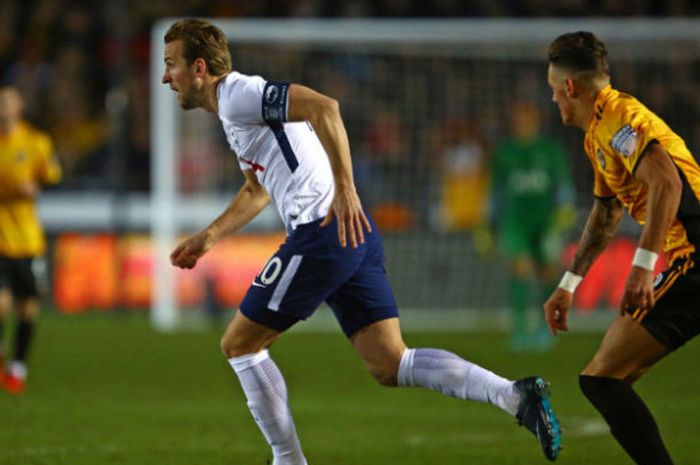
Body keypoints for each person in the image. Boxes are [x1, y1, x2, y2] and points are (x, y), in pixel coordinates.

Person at [162, 19, 561, 464]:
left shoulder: (239, 95)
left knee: (239, 344)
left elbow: (326, 108)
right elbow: (258, 189)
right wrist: (210, 236)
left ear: (199, 68)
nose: (165, 77)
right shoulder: (233, 113)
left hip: (322, 232)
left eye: (170, 65)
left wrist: (346, 188)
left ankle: (288, 461)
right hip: (352, 233)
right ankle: (514, 396)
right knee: (390, 363)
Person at [544, 31, 700, 465]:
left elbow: (665, 180)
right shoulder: (599, 132)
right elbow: (607, 213)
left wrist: (642, 266)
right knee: (611, 377)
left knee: (603, 379)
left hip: (696, 256)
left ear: (570, 86)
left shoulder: (618, 118)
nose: (554, 98)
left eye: (553, 89)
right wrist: (569, 283)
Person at [490, 100, 575, 351]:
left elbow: (563, 185)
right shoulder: (504, 153)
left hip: (545, 222)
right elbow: (496, 191)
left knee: (546, 271)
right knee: (519, 268)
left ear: (535, 121)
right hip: (515, 221)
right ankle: (519, 329)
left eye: (526, 119)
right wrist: (489, 223)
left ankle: (543, 327)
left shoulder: (550, 151)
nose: (521, 124)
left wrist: (564, 212)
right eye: (517, 120)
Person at [0, 85, 62, 394]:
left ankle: (18, 364)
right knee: (1, 304)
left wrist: (34, 188)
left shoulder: (35, 142)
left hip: (28, 240)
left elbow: (51, 176)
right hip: (1, 240)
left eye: (7, 102)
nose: (2, 108)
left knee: (28, 308)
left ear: (19, 106)